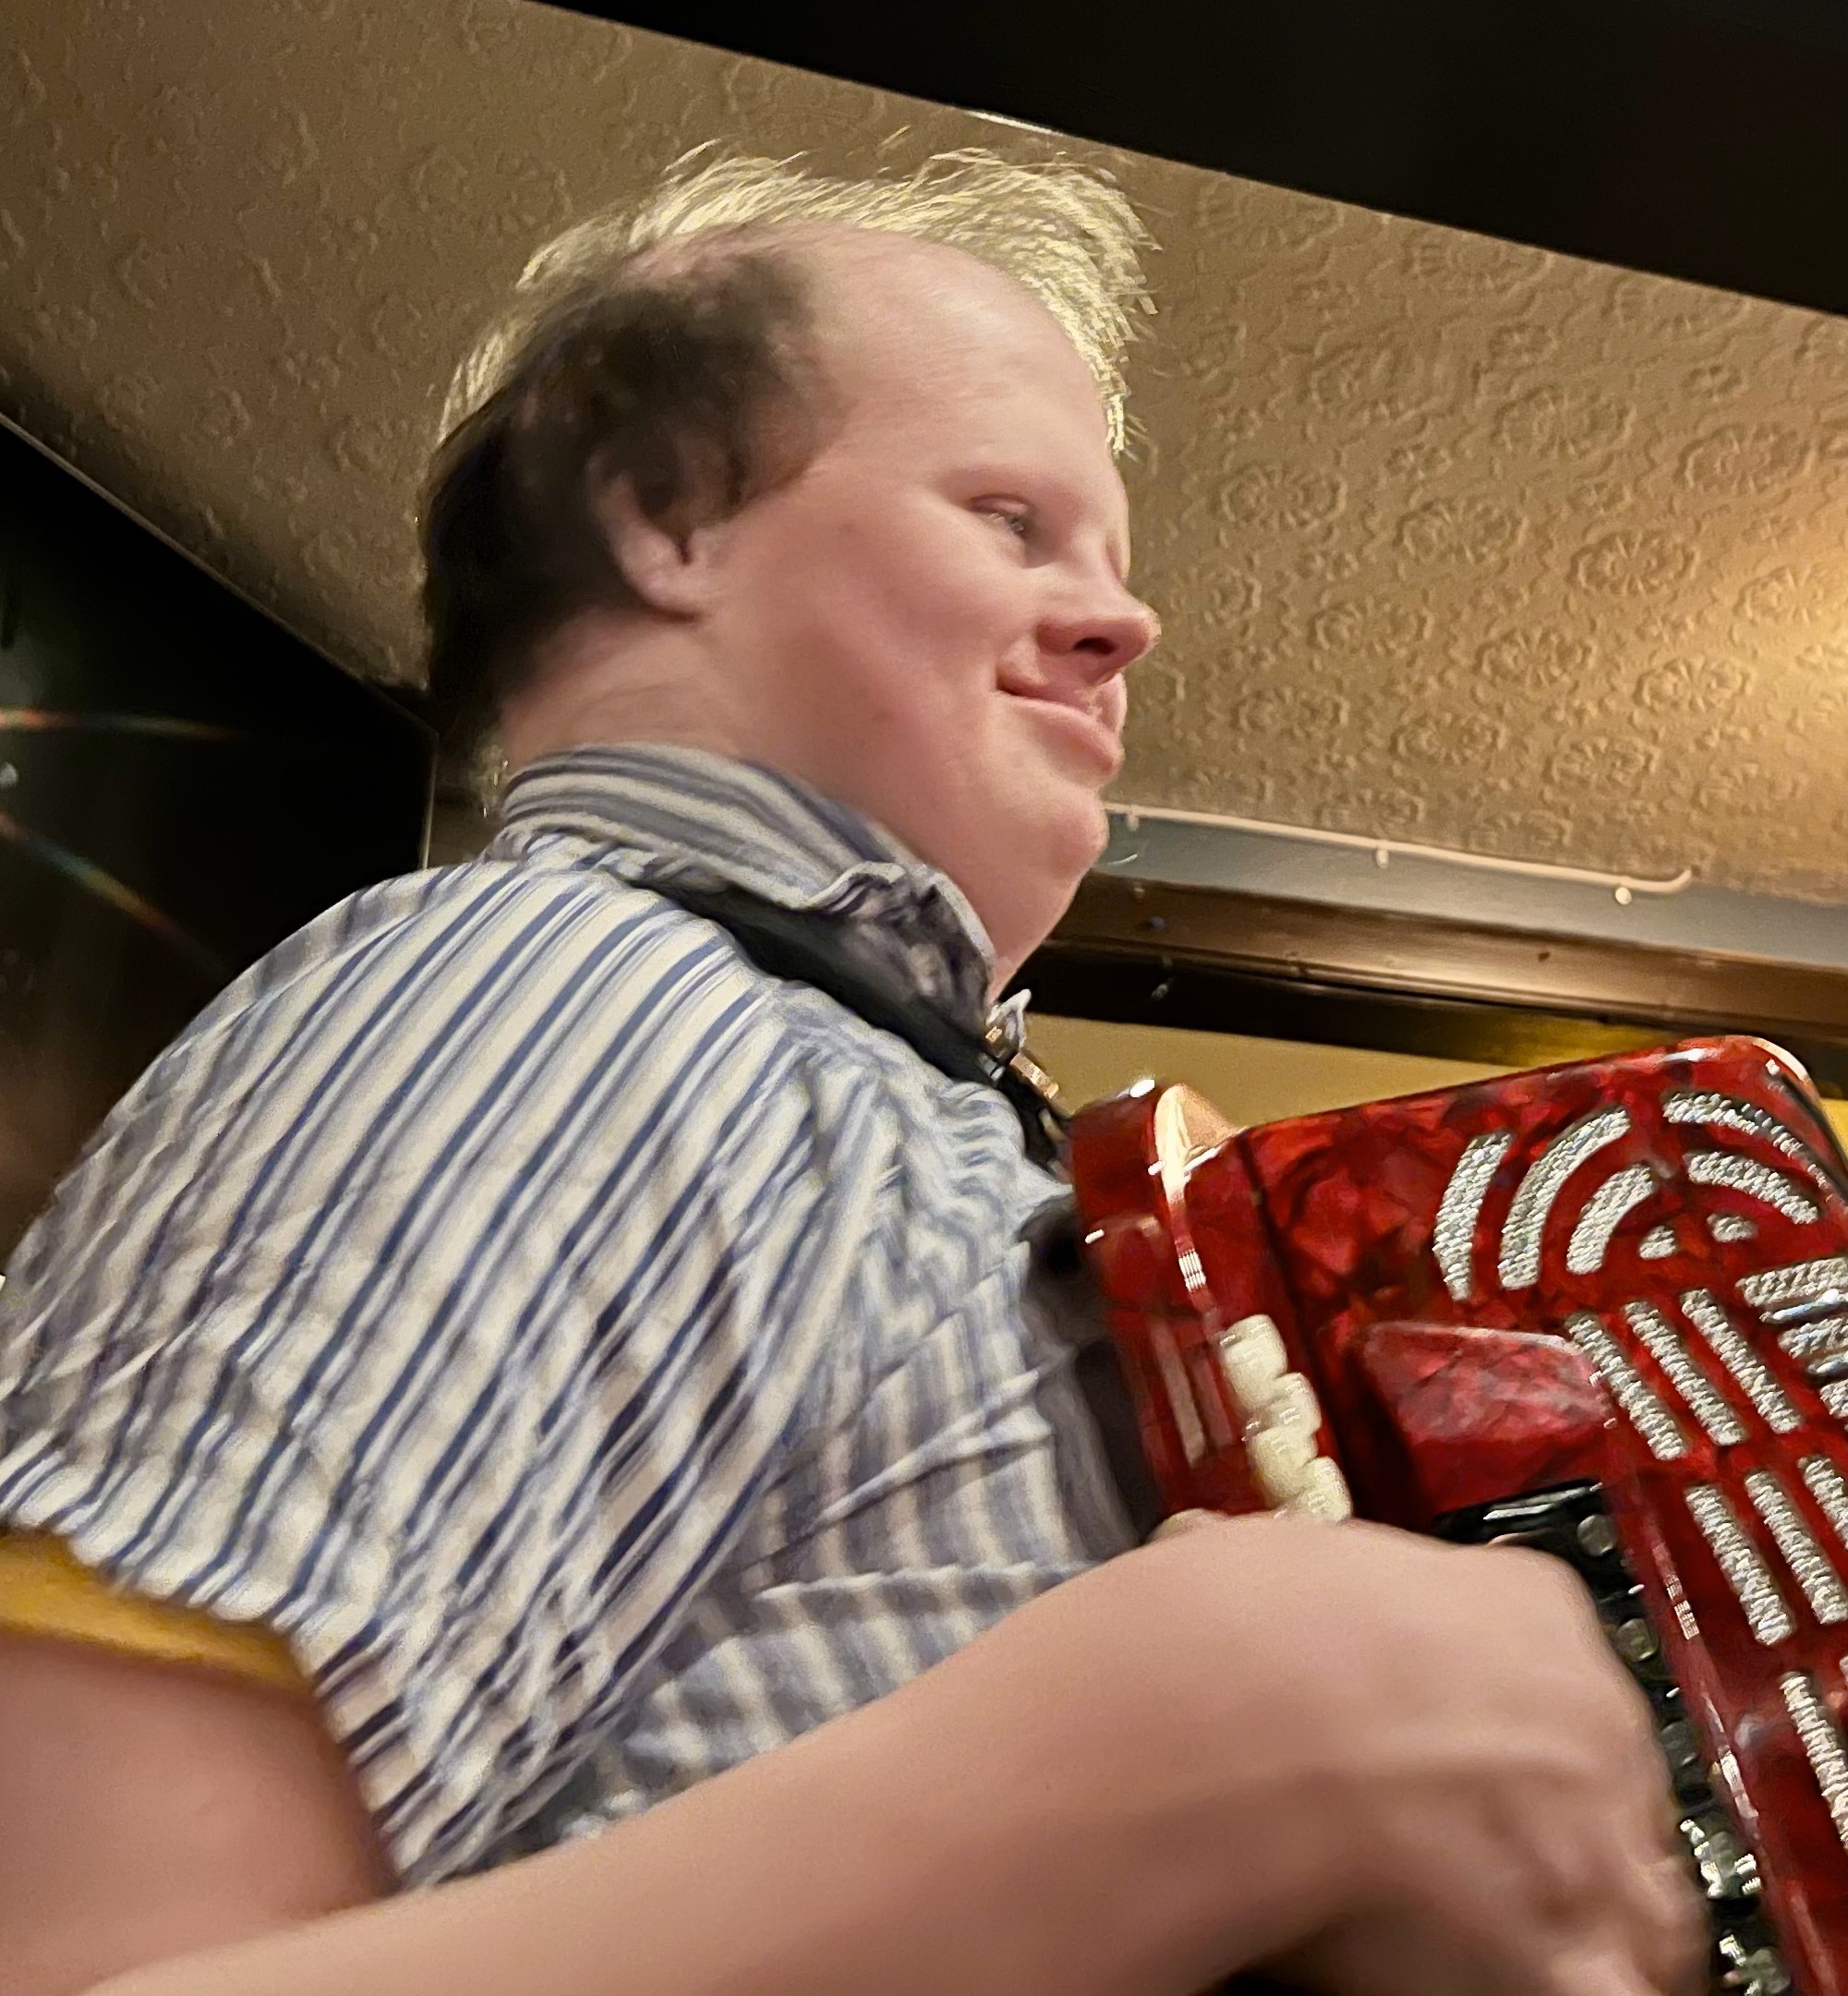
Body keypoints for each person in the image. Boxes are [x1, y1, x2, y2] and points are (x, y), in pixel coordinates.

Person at [0, 151, 1699, 1995]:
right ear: (661, 515)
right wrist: (1220, 1748)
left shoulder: (871, 1109)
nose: (1122, 623)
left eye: (1110, 557)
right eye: (1008, 517)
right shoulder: (566, 995)